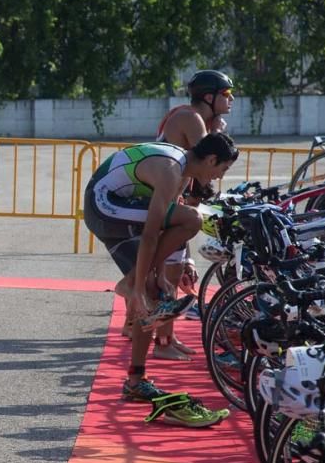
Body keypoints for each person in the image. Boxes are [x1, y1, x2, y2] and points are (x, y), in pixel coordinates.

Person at [84, 133, 239, 427]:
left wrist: (162, 276)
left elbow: (165, 229)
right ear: (210, 160)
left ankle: (136, 380)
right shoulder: (172, 171)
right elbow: (153, 231)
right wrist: (140, 283)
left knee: (156, 296)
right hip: (102, 203)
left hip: (116, 203)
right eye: (222, 169)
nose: (219, 177)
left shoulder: (183, 173)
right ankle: (132, 286)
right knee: (192, 219)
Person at [151, 70, 235, 359]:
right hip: (162, 199)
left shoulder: (198, 119)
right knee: (165, 273)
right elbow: (210, 160)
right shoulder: (192, 119)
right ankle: (161, 343)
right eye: (226, 94)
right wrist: (218, 131)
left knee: (172, 272)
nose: (231, 99)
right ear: (208, 97)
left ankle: (167, 338)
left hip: (174, 197)